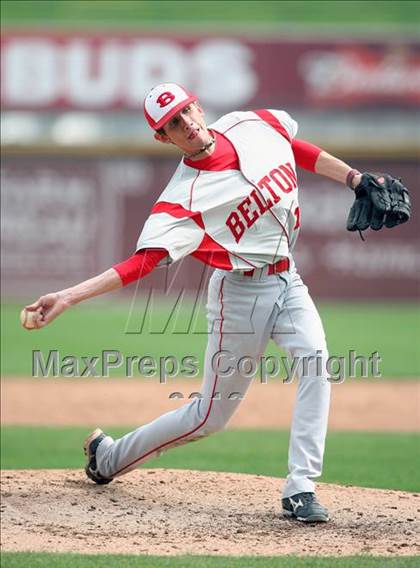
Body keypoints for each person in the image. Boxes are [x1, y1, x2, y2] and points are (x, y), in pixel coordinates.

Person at [23, 82, 366, 524]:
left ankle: (300, 488)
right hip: (239, 294)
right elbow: (140, 264)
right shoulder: (181, 201)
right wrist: (68, 296)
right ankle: (107, 458)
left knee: (316, 362)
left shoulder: (249, 125)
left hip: (289, 279)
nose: (186, 124)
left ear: (199, 107)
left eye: (186, 112)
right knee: (210, 417)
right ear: (163, 139)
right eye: (173, 125)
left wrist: (356, 179)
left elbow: (294, 146)